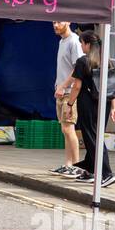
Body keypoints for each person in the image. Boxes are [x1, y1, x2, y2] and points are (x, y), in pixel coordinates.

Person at [61, 29, 115, 188]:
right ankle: (90, 169)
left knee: (92, 137)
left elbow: (77, 86)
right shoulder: (107, 61)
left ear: (87, 44)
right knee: (95, 135)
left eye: (82, 43)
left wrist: (69, 105)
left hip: (88, 103)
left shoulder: (83, 61)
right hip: (105, 103)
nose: (81, 46)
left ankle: (107, 173)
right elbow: (111, 88)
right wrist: (114, 108)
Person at [51, 21, 84, 177]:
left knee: (69, 128)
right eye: (54, 22)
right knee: (65, 129)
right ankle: (68, 164)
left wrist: (63, 86)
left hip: (70, 92)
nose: (56, 25)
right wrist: (58, 85)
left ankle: (77, 167)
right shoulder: (62, 41)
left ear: (68, 22)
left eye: (59, 22)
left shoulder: (74, 41)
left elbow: (78, 68)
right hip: (62, 90)